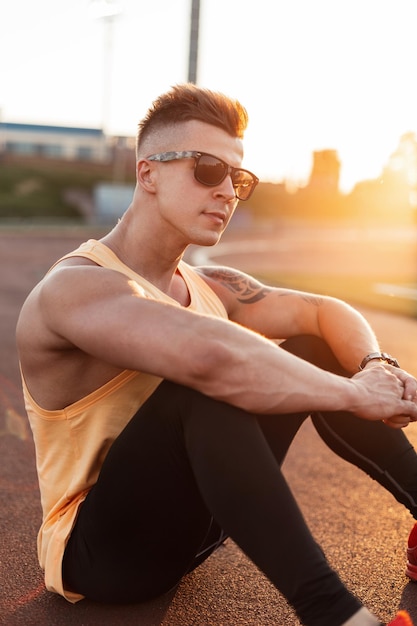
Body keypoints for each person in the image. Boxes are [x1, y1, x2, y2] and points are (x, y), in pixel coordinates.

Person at [16, 83, 417, 626]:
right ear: (148, 173)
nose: (228, 190)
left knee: (317, 345)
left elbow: (326, 311)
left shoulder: (211, 284)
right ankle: (338, 617)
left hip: (198, 528)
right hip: (102, 558)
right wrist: (353, 394)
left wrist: (376, 367)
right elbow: (208, 358)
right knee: (199, 389)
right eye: (207, 169)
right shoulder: (76, 288)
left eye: (239, 177)